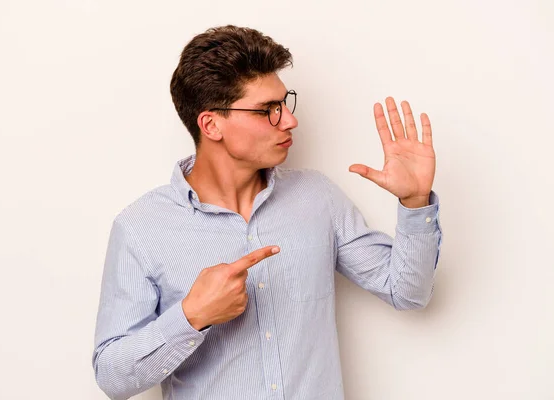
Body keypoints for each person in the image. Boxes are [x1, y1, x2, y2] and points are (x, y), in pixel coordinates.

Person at [92, 25, 443, 400]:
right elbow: (112, 377)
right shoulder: (142, 229)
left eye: (283, 103)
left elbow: (407, 292)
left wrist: (415, 202)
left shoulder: (317, 197)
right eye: (266, 111)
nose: (289, 121)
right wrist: (191, 316)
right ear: (211, 124)